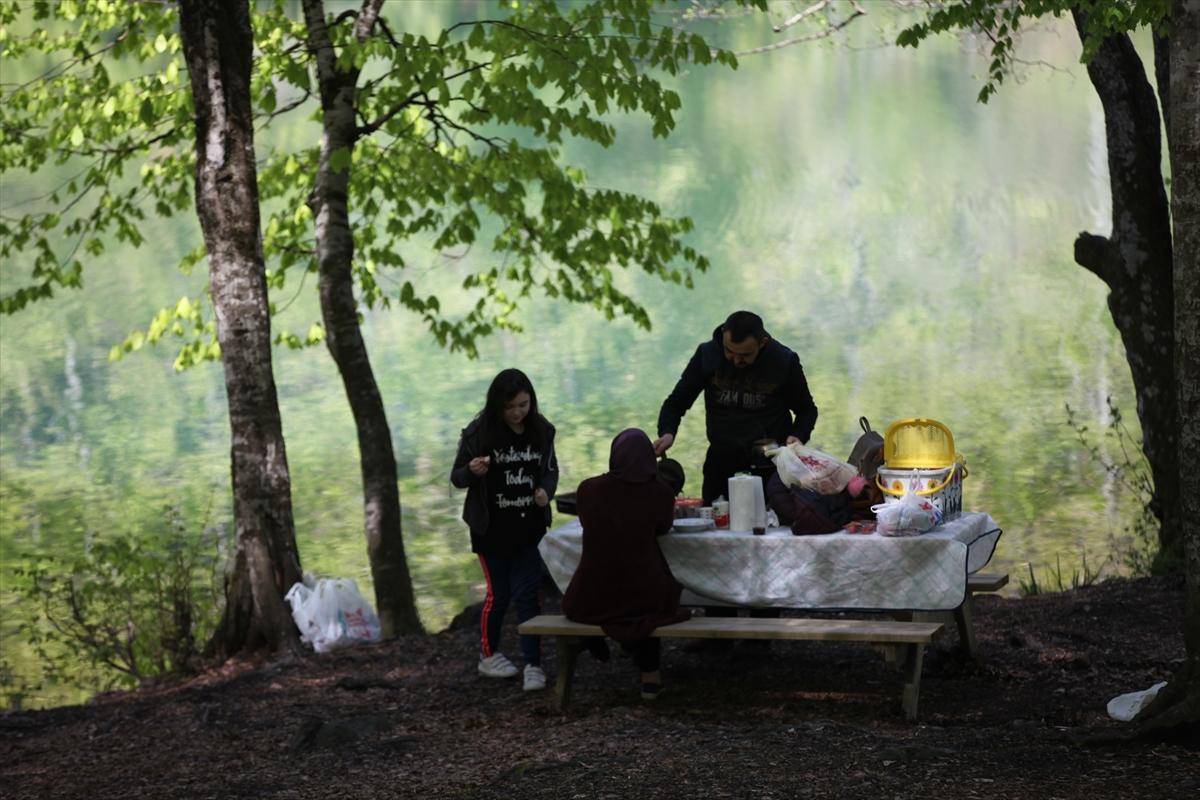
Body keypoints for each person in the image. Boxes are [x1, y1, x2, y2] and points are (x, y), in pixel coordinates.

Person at [450, 368, 558, 691]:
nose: (517, 412)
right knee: (499, 595)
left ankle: (533, 665)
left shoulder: (541, 431)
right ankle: (488, 654)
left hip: (529, 527)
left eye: (523, 405)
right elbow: (456, 478)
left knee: (527, 595)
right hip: (491, 530)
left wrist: (544, 492)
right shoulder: (478, 434)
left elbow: (550, 471)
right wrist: (471, 471)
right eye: (510, 406)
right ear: (497, 405)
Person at [562, 428, 690, 700]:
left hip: (591, 594)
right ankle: (650, 678)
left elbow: (588, 522)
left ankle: (593, 638)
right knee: (648, 601)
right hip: (644, 594)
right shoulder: (660, 493)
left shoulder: (588, 489)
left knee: (624, 594)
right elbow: (663, 527)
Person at [654, 310, 818, 503]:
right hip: (721, 463)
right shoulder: (707, 355)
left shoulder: (783, 361)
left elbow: (807, 410)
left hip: (770, 465)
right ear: (723, 335)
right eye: (729, 351)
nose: (736, 360)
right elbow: (676, 403)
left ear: (762, 343)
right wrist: (667, 432)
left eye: (745, 355)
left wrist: (798, 436)